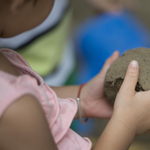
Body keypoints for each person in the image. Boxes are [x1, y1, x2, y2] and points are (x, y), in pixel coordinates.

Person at [0, 0, 150, 150]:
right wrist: (126, 124)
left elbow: (35, 95)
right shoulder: (16, 110)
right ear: (19, 4)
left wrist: (82, 99)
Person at [0, 0, 134, 86]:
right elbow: (36, 98)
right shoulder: (15, 96)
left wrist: (81, 99)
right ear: (20, 4)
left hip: (65, 62)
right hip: (41, 82)